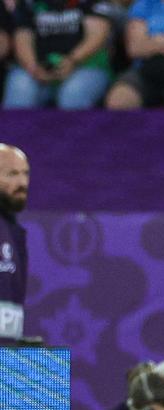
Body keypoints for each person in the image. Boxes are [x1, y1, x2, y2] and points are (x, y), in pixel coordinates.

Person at [3, 0, 113, 109]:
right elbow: (22, 36)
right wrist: (33, 67)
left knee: (73, 93)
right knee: (21, 87)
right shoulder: (28, 2)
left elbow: (97, 35)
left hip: (86, 66)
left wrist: (72, 60)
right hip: (37, 68)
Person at [0, 144, 29, 344]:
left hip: (6, 360)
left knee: (49, 373)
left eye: (25, 173)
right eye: (11, 174)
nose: (22, 182)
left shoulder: (13, 231)